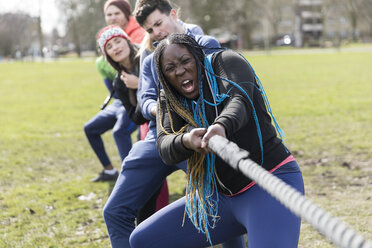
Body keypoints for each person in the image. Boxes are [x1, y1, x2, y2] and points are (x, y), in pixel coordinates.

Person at [129, 33, 305, 248]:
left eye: (185, 61)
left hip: (270, 185)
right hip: (220, 198)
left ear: (197, 56)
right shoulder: (170, 96)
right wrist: (186, 140)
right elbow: (165, 146)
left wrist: (221, 125)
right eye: (170, 68)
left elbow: (240, 101)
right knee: (143, 241)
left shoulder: (226, 62)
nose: (180, 71)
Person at [101, 1, 248, 248]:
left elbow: (226, 93)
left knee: (218, 200)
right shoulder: (149, 59)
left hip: (199, 138)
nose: (156, 32)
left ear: (173, 15)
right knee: (114, 211)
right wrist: (159, 108)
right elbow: (144, 99)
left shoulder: (205, 46)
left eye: (158, 23)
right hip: (159, 138)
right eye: (149, 30)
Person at [84, 0, 146, 182]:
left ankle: (132, 177)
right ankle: (111, 171)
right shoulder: (107, 40)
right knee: (90, 129)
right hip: (122, 99)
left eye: (117, 13)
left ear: (127, 14)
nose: (113, 18)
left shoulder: (142, 37)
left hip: (142, 99)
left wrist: (139, 85)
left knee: (120, 132)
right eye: (109, 15)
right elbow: (112, 86)